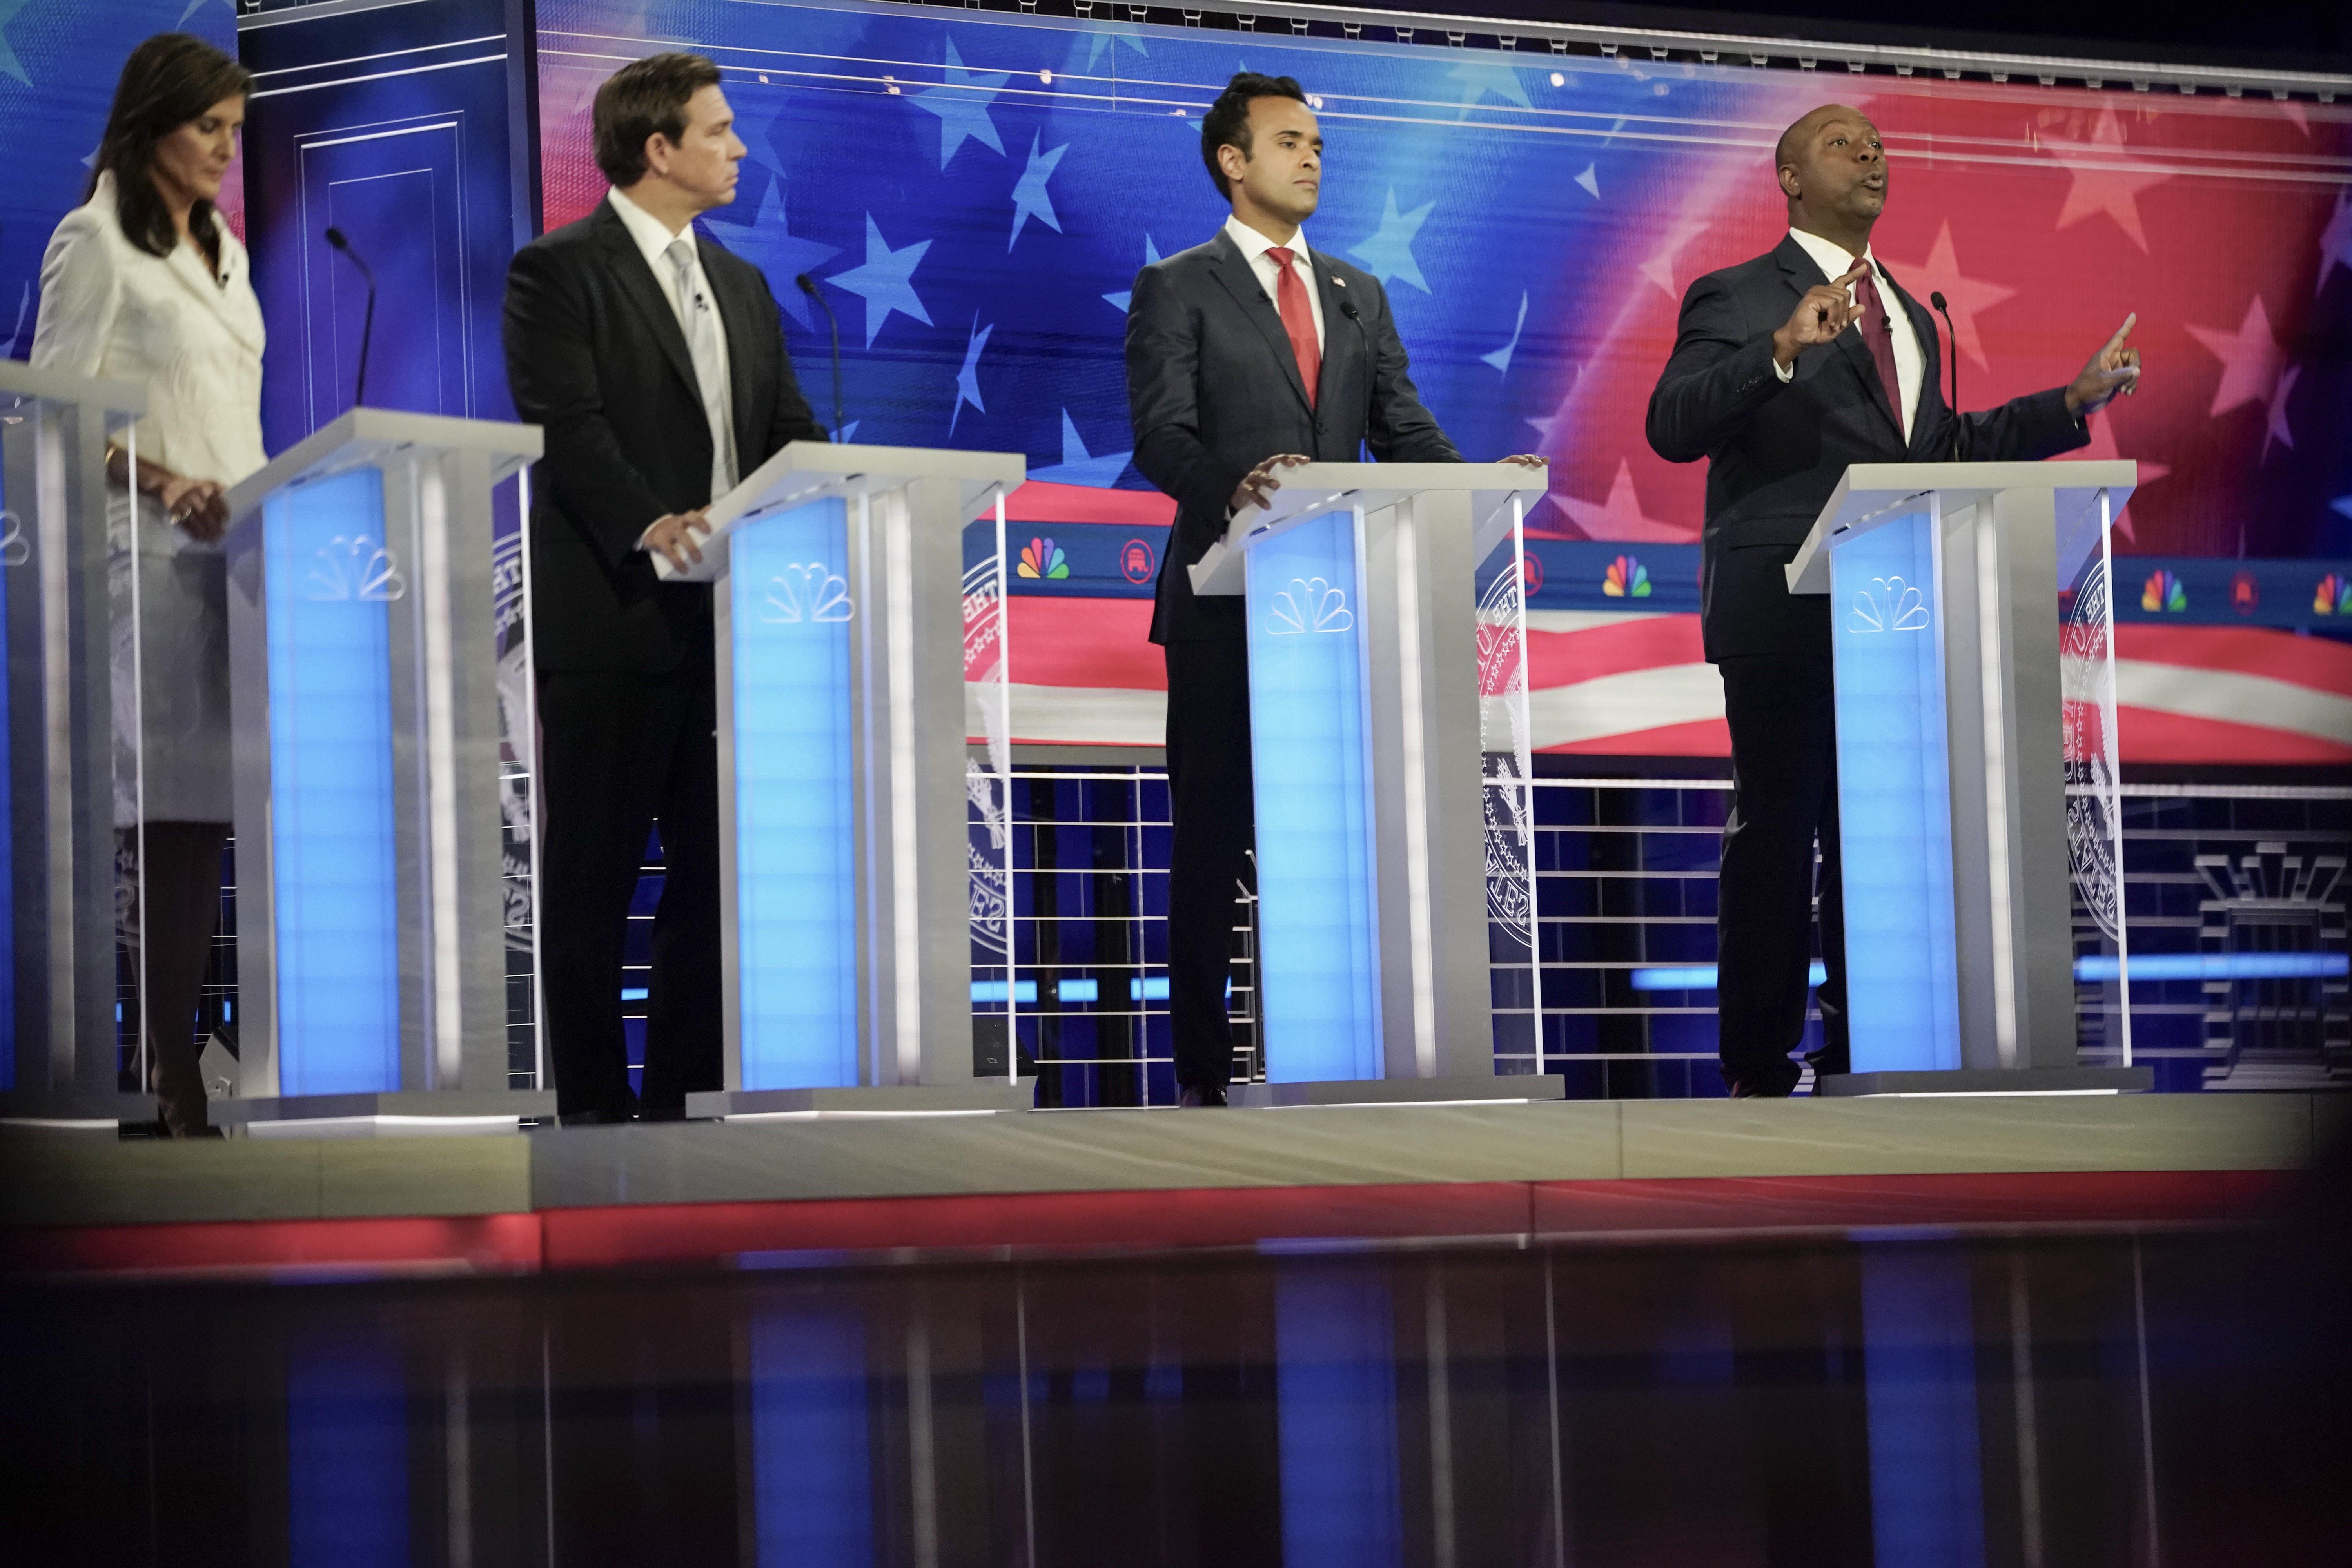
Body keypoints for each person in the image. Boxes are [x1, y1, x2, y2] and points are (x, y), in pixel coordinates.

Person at [1646, 103, 2141, 1098]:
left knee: (1874, 836)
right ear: (1788, 176)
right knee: (1780, 831)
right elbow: (1672, 423)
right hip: (1782, 604)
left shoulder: (1914, 317)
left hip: (1893, 616)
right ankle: (1756, 1061)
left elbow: (1942, 456)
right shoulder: (1738, 292)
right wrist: (1780, 347)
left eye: (1877, 145)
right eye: (1842, 143)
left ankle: (1858, 1050)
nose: (1871, 154)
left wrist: (2069, 405)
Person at [1125, 72, 1542, 1107]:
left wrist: (1479, 484)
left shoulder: (1358, 291)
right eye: (1289, 142)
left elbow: (1401, 429)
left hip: (1341, 612)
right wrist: (1238, 492)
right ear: (1233, 161)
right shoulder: (1179, 286)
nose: (1312, 158)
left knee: (1338, 836)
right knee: (1215, 838)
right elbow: (1160, 436)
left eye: (1319, 144)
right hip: (1226, 605)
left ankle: (1345, 1056)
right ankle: (1205, 1081)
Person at [503, 52, 824, 1125]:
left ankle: (683, 1100)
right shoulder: (558, 271)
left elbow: (782, 434)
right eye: (721, 130)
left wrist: (837, 491)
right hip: (617, 618)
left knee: (715, 883)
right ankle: (592, 1111)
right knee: (595, 880)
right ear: (659, 149)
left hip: (738, 628)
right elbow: (571, 431)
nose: (739, 149)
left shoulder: (743, 283)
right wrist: (652, 524)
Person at [33, 34, 260, 1137]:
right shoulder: (93, 244)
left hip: (244, 561)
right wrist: (165, 480)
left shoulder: (226, 248)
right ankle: (166, 1063)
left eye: (234, 132)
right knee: (163, 820)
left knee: (210, 819)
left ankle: (179, 1053)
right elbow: (51, 417)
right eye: (207, 128)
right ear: (151, 123)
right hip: (153, 564)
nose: (225, 150)